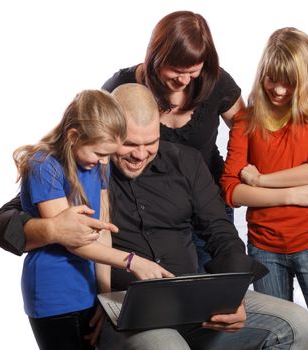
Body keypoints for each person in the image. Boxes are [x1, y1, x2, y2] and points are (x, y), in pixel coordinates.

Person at [0, 83, 308, 350]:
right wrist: (50, 229)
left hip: (194, 299)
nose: (141, 153)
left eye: (151, 143)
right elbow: (1, 223)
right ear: (113, 133)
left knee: (299, 325)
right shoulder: (84, 167)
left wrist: (232, 295)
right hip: (130, 308)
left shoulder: (186, 163)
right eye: (129, 144)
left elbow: (220, 231)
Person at [221, 28, 308, 349]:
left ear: (304, 78)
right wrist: (290, 194)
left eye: (289, 82)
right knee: (276, 340)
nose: (279, 90)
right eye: (271, 79)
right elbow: (231, 190)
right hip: (265, 247)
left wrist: (262, 179)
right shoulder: (247, 120)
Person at [13, 89, 171, 350]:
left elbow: (104, 232)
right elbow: (71, 239)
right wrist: (132, 261)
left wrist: (105, 296)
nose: (105, 161)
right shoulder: (44, 166)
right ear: (74, 136)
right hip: (54, 293)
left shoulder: (100, 165)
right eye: (99, 154)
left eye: (109, 154)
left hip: (86, 289)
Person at [102, 10, 244, 271]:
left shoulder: (216, 82)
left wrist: (240, 178)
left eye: (193, 71)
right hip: (154, 208)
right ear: (156, 57)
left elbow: (245, 130)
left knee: (215, 288)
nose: (183, 80)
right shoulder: (121, 86)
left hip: (209, 202)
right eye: (176, 71)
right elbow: (93, 139)